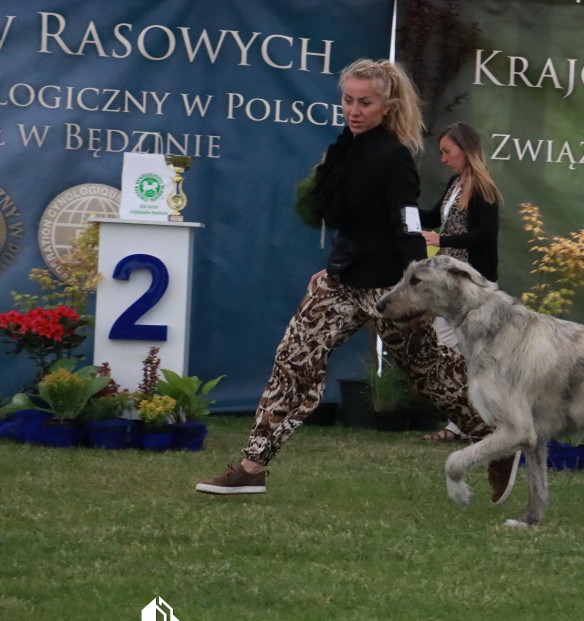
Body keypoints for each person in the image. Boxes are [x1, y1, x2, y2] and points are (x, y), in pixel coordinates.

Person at [196, 59, 517, 504]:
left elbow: (405, 227)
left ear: (386, 106)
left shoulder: (394, 157)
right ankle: (252, 467)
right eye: (348, 100)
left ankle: (497, 444)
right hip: (343, 282)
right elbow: (351, 226)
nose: (354, 109)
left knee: (433, 375)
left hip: (389, 289)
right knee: (294, 359)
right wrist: (332, 269)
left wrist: (414, 292)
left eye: (364, 102)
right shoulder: (345, 147)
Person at [419, 121, 500, 441]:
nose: (443, 158)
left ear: (466, 151)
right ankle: (465, 422)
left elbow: (486, 236)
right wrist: (400, 209)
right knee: (453, 351)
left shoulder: (484, 188)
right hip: (449, 284)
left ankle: (471, 423)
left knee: (470, 355)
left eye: (447, 151)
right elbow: (434, 217)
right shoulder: (456, 183)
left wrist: (440, 241)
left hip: (472, 286)